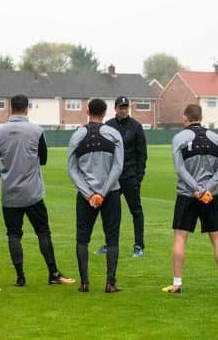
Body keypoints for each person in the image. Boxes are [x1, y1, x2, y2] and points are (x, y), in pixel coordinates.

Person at [0, 94, 74, 287]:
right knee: (43, 232)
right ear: (27, 108)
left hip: (9, 191)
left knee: (13, 234)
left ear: (10, 108)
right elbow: (44, 159)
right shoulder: (36, 130)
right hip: (32, 191)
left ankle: (20, 277)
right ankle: (53, 273)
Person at [162, 104, 218, 293]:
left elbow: (180, 169)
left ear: (185, 118)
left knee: (180, 237)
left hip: (187, 195)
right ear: (201, 117)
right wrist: (207, 189)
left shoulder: (179, 138)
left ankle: (177, 284)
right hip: (210, 197)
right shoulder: (216, 138)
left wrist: (196, 189)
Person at [68, 99, 124, 293]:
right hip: (111, 193)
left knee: (82, 238)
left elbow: (72, 170)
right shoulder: (114, 134)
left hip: (86, 196)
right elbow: (118, 167)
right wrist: (103, 192)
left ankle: (84, 283)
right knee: (112, 238)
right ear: (105, 112)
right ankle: (110, 283)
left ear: (87, 111)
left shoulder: (77, 135)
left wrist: (89, 193)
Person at [96, 96, 147, 258]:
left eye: (126, 107)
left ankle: (139, 245)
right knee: (110, 212)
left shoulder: (136, 127)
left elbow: (142, 154)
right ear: (115, 108)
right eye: (120, 107)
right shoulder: (108, 126)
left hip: (130, 176)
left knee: (136, 211)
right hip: (113, 178)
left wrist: (138, 177)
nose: (123, 110)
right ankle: (109, 243)